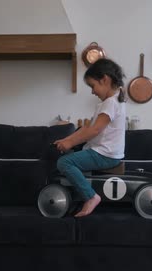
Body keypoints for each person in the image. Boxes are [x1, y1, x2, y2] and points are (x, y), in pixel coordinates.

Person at [54, 58, 127, 217]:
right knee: (67, 155)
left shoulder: (110, 103)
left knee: (64, 162)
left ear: (105, 80)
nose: (92, 91)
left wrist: (70, 142)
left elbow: (94, 131)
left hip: (105, 154)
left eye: (93, 86)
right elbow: (87, 128)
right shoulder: (108, 103)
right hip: (103, 152)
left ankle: (91, 196)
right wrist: (67, 141)